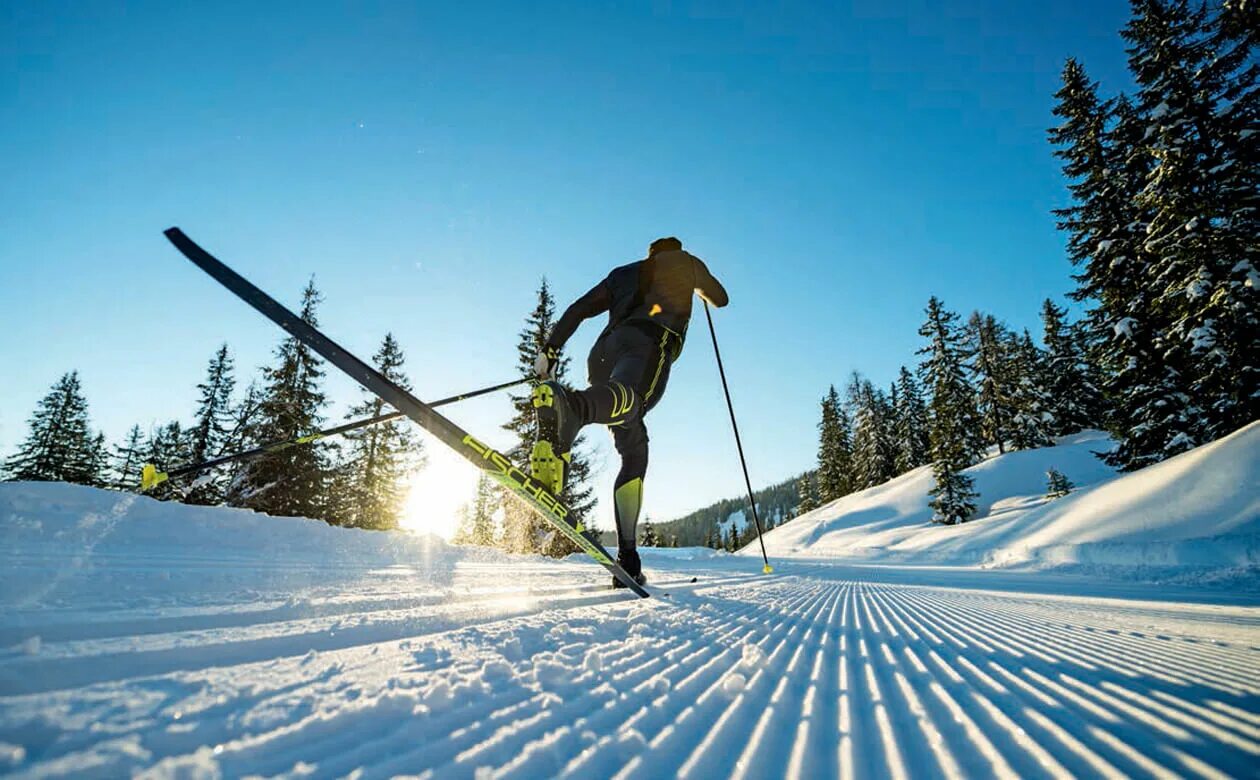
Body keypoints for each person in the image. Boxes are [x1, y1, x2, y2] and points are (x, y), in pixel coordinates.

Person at [531, 236, 729, 587]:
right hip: (648, 345)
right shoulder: (687, 263)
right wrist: (699, 288)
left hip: (602, 355)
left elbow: (579, 309)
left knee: (633, 445)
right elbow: (721, 298)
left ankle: (629, 558)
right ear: (675, 250)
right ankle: (573, 408)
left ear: (650, 253)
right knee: (633, 403)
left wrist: (551, 349)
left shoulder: (623, 273)